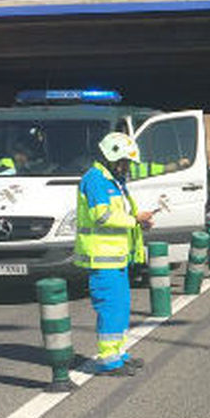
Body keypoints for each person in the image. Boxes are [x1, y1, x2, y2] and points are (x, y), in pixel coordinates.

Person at [73, 131, 154, 376]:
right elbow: (103, 216)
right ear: (111, 157)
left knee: (121, 307)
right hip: (102, 258)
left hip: (116, 258)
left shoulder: (113, 181)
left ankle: (118, 353)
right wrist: (134, 220)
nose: (127, 167)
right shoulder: (97, 180)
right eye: (124, 162)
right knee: (110, 308)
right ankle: (108, 360)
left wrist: (139, 222)